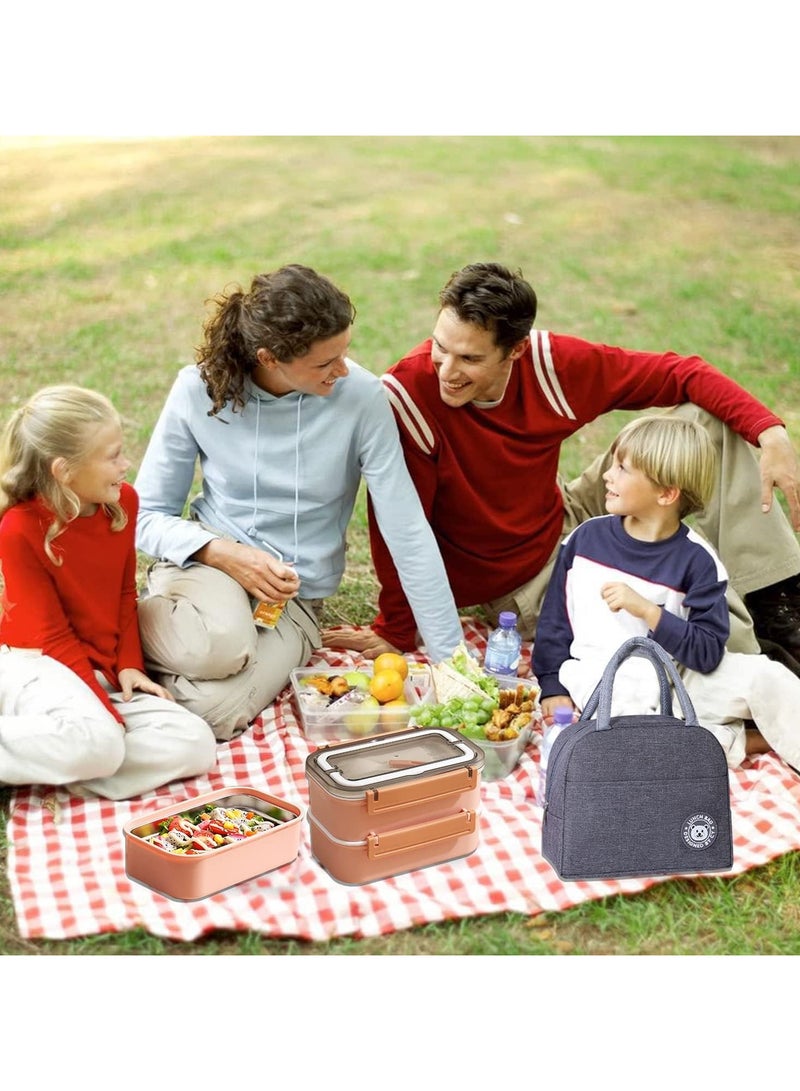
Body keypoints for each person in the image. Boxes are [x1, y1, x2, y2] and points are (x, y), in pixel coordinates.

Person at [324, 261, 800, 675]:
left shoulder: (551, 366)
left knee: (707, 421)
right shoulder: (410, 396)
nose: (446, 369)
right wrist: (397, 630)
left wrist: (770, 432)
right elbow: (400, 527)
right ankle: (746, 663)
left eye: (470, 358)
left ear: (515, 350)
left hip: (565, 512)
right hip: (523, 582)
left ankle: (777, 599)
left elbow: (681, 373)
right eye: (440, 347)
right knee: (656, 600)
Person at [133, 264, 464, 740]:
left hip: (293, 600)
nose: (343, 369)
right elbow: (145, 515)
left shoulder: (363, 399)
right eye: (325, 362)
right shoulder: (198, 389)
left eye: (344, 352)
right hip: (210, 567)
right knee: (221, 646)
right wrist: (221, 552)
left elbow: (407, 529)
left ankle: (149, 666)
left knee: (215, 714)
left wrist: (451, 661)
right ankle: (119, 633)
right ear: (269, 358)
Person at [531, 414, 800, 771]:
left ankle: (776, 738)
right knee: (638, 737)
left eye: (622, 469)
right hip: (606, 683)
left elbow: (707, 654)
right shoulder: (585, 541)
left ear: (666, 493)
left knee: (770, 676)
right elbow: (554, 624)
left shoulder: (699, 561)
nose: (608, 476)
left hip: (680, 676)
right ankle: (742, 740)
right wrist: (552, 686)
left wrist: (650, 612)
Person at [0, 385, 217, 800]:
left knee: (195, 743)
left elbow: (123, 595)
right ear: (65, 471)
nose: (126, 464)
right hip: (36, 666)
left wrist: (129, 666)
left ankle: (55, 764)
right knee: (99, 740)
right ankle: (76, 749)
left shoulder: (123, 504)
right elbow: (50, 635)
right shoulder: (20, 528)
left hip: (97, 671)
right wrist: (101, 710)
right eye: (113, 455)